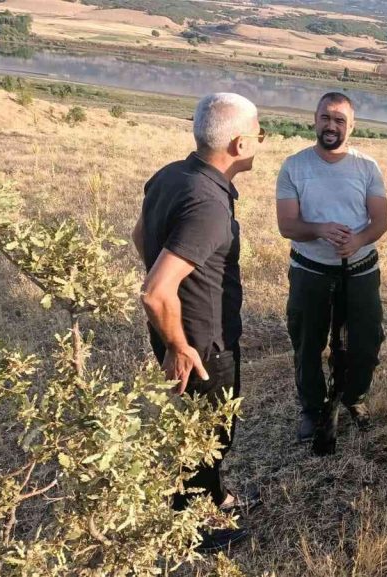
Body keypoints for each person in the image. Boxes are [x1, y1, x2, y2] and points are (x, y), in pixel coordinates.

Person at [133, 92, 265, 552]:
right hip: (203, 345)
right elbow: (155, 290)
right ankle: (192, 529)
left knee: (198, 429)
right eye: (259, 134)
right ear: (238, 143)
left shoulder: (172, 175)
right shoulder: (208, 203)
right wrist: (180, 343)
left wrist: (170, 328)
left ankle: (214, 494)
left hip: (179, 334)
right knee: (209, 435)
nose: (261, 142)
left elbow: (141, 237)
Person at [276, 92, 387, 445]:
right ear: (315, 119)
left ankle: (353, 398)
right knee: (308, 343)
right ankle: (312, 409)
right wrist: (320, 229)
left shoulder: (367, 167)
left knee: (366, 342)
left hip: (360, 272)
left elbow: (380, 220)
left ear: (351, 126)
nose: (331, 126)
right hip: (310, 271)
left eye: (340, 120)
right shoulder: (294, 166)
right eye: (326, 117)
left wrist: (358, 240)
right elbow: (287, 226)